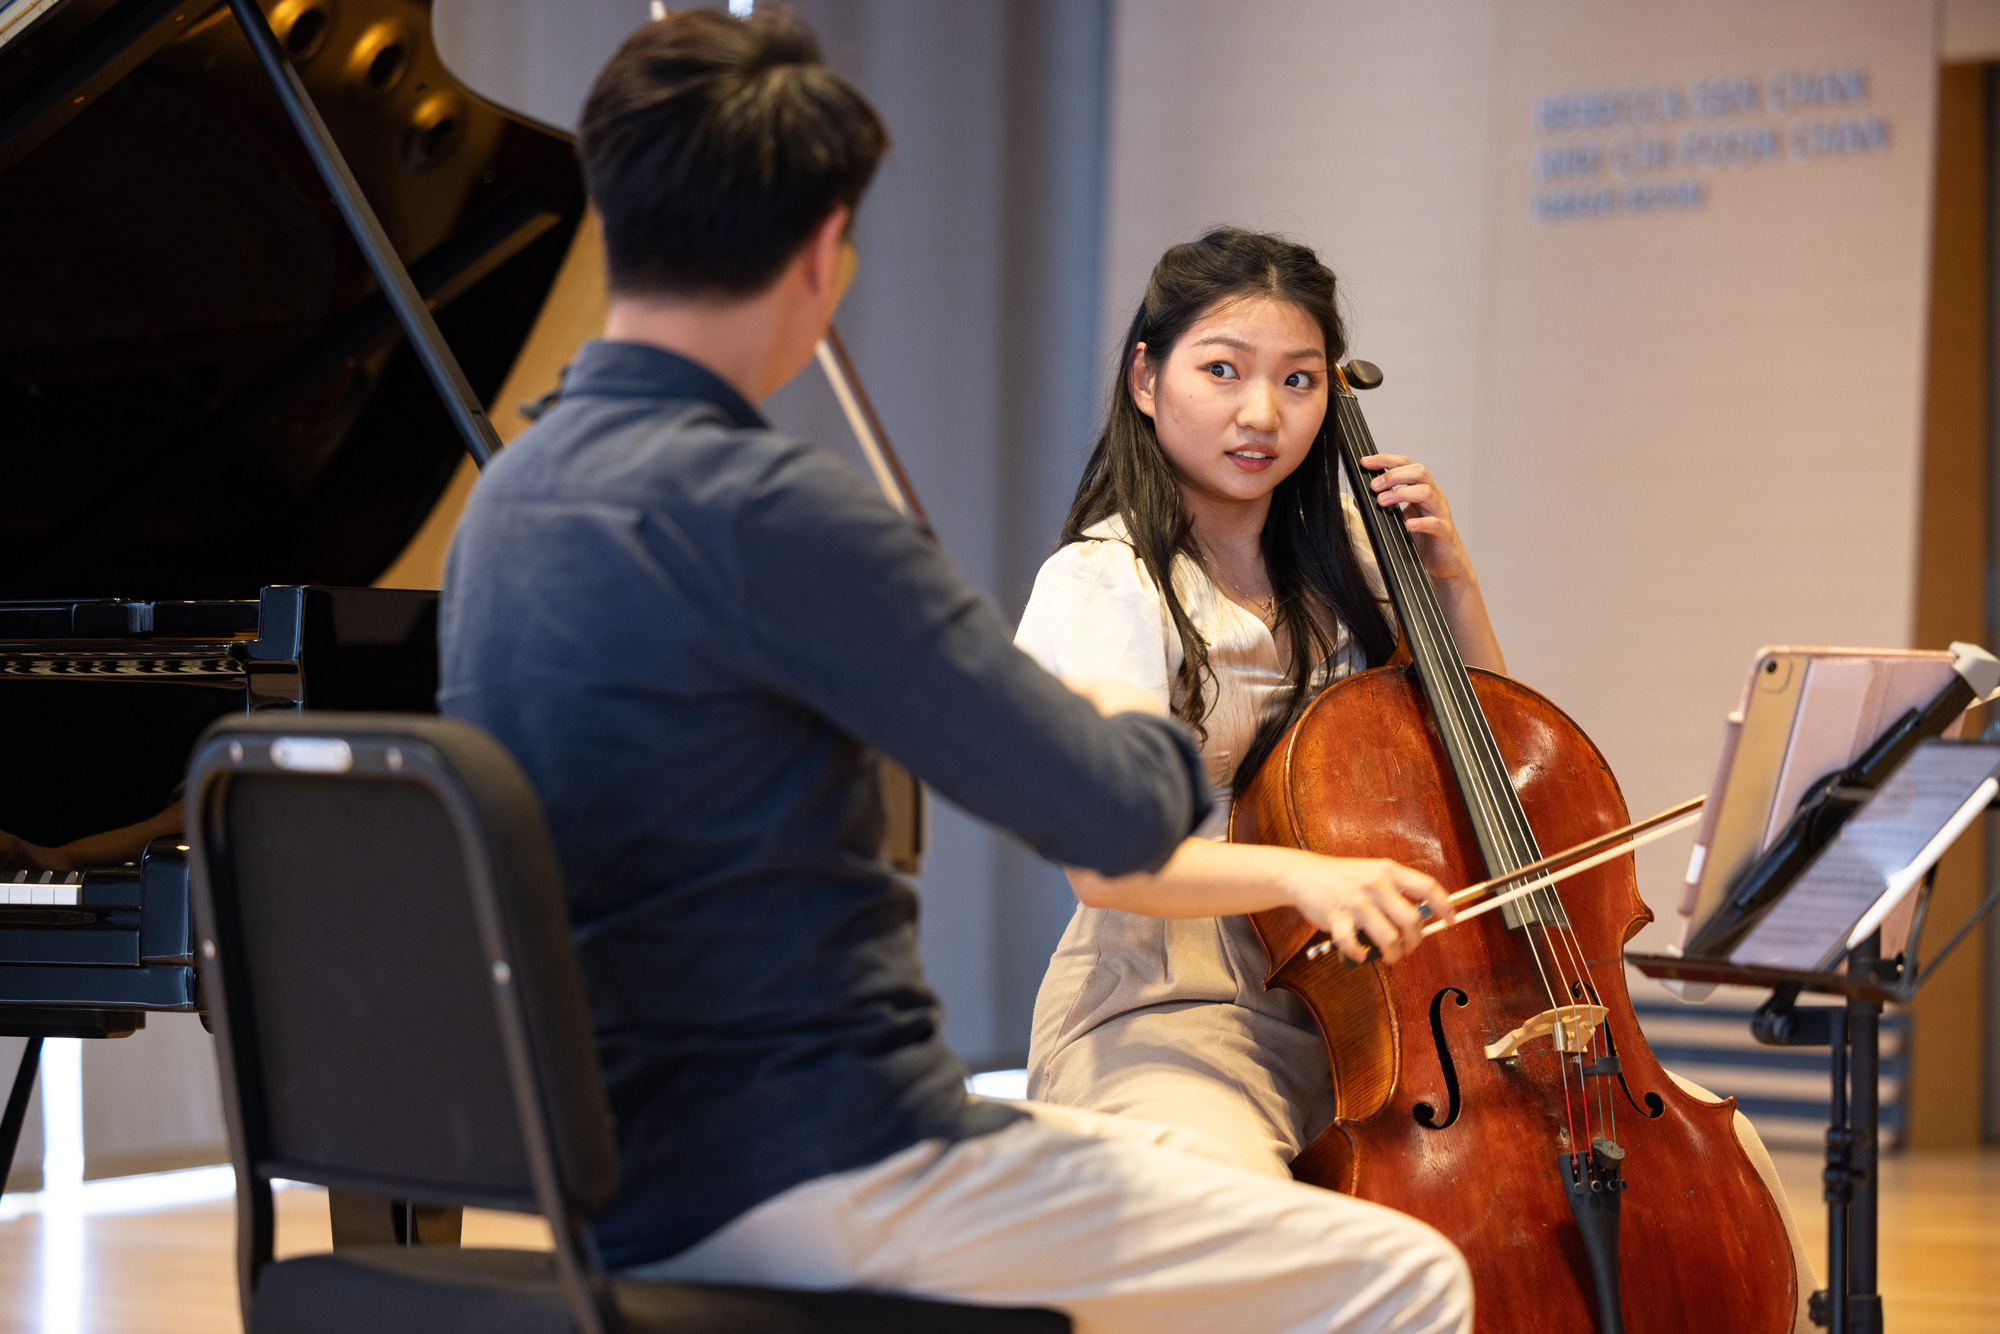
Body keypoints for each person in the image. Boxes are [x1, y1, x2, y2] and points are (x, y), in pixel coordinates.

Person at [437, 9, 1471, 1333]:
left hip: (603, 1164)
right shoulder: (776, 509)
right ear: (822, 256)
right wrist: (1119, 715)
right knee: (1407, 1272)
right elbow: (1113, 814)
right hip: (822, 1155)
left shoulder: (507, 503)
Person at [1015, 226, 1818, 1330]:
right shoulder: (1104, 584)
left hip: (1399, 1017)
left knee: (1725, 1180)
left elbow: (1488, 760)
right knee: (1249, 1246)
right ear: (1146, 378)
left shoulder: (1345, 565)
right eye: (1222, 371)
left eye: (1297, 380)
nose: (1262, 413)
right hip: (1179, 1009)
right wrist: (1309, 877)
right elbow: (1109, 861)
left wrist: (1449, 581)